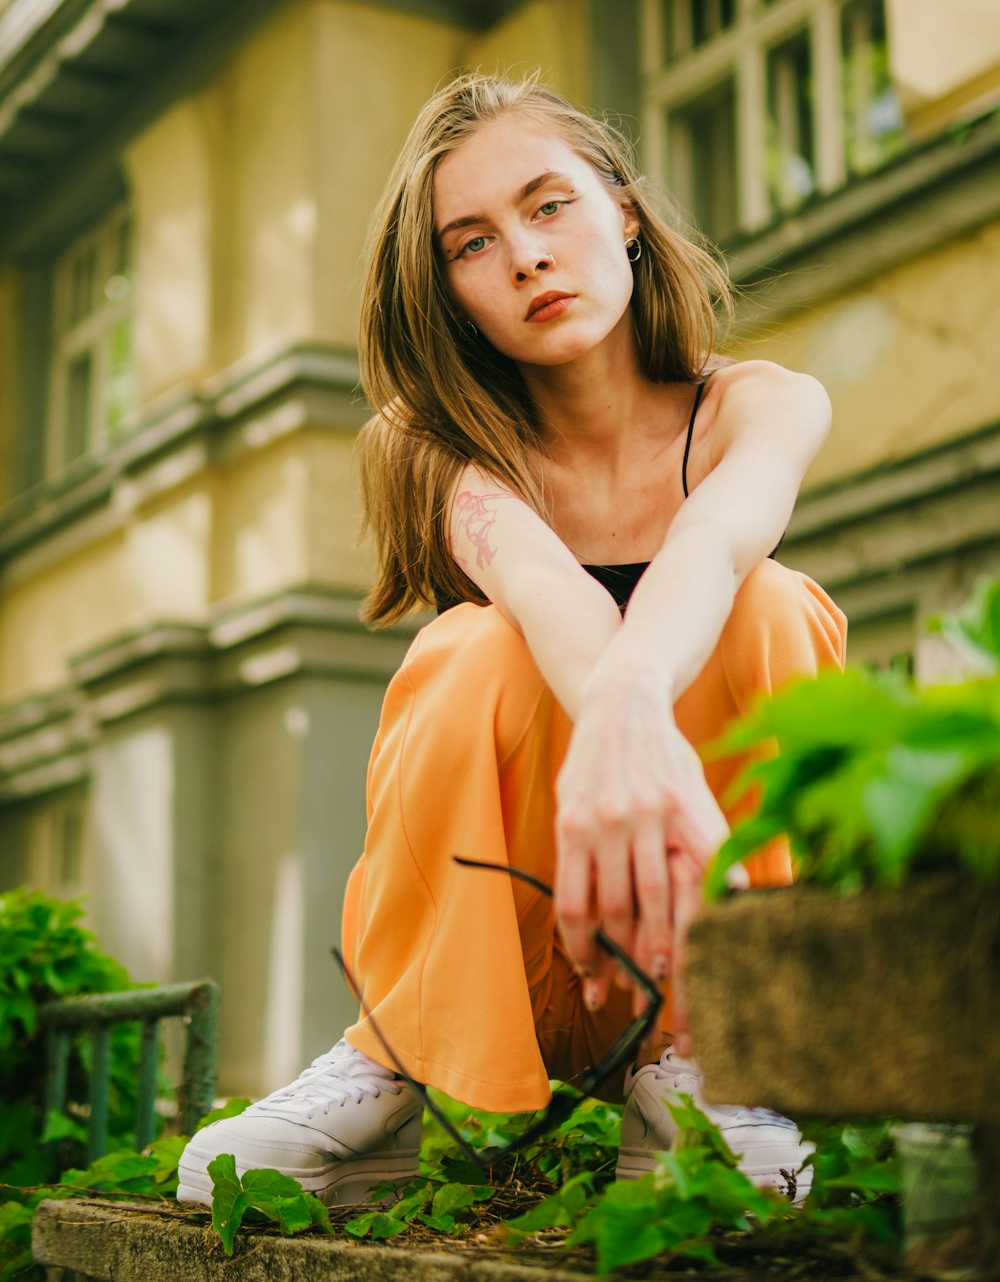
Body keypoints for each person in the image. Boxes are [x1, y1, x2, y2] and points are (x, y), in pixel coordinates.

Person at [178, 72, 846, 1210]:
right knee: (473, 646)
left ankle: (718, 1068)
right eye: (471, 244)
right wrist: (627, 712)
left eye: (549, 206)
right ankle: (390, 1063)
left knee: (774, 602)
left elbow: (716, 547)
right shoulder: (427, 440)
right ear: (447, 293)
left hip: (701, 953)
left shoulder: (759, 405)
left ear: (623, 214)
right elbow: (542, 588)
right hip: (526, 963)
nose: (526, 257)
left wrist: (636, 711)